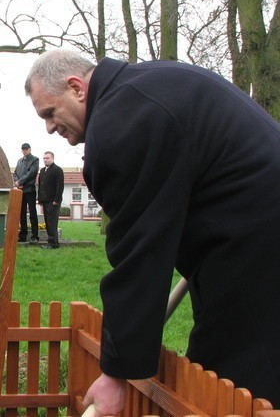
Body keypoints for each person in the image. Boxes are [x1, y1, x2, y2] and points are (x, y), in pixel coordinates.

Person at [25, 49, 280, 412]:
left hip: (258, 249)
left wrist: (115, 373)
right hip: (245, 236)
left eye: (50, 113)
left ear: (77, 88)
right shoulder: (150, 84)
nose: (49, 127)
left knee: (233, 388)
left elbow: (140, 253)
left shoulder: (120, 123)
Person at [13, 143, 40, 243]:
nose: (24, 151)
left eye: (26, 149)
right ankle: (23, 235)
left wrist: (20, 182)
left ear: (30, 149)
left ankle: (35, 236)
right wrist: (16, 182)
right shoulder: (19, 161)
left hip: (30, 190)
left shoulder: (35, 160)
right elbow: (15, 173)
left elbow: (31, 173)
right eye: (23, 149)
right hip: (20, 190)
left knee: (32, 213)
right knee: (22, 213)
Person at [37, 151, 64, 248]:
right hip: (45, 200)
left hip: (53, 201)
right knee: (48, 222)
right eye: (44, 158)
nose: (45, 160)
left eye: (47, 158)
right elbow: (40, 185)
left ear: (52, 158)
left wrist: (56, 200)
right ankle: (51, 242)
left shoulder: (57, 170)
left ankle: (53, 243)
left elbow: (60, 186)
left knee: (52, 222)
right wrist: (40, 199)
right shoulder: (43, 170)